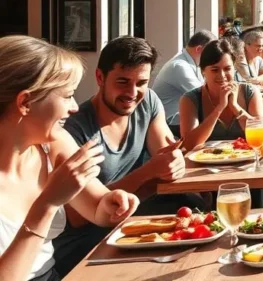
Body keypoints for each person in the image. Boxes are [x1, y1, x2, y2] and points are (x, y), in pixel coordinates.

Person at [0, 36, 141, 281]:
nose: (75, 107)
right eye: (67, 96)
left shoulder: (53, 144)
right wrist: (47, 204)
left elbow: (98, 207)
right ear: (25, 102)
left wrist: (114, 203)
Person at [53, 37, 188, 275]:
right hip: (85, 249)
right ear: (100, 78)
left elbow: (166, 162)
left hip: (135, 228)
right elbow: (77, 217)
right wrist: (148, 173)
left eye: (141, 82)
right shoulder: (73, 130)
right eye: (123, 82)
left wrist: (172, 163)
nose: (132, 93)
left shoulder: (148, 103)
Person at [179, 39, 263, 151]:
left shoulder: (250, 92)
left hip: (246, 161)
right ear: (203, 71)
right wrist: (219, 109)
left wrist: (235, 107)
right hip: (205, 164)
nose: (222, 75)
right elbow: (189, 144)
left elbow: (262, 135)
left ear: (234, 68)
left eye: (227, 69)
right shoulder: (190, 99)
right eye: (215, 70)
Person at [150, 30, 216, 129]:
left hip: (176, 119)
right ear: (198, 49)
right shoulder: (180, 66)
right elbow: (204, 95)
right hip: (168, 122)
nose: (213, 57)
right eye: (210, 52)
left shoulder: (191, 63)